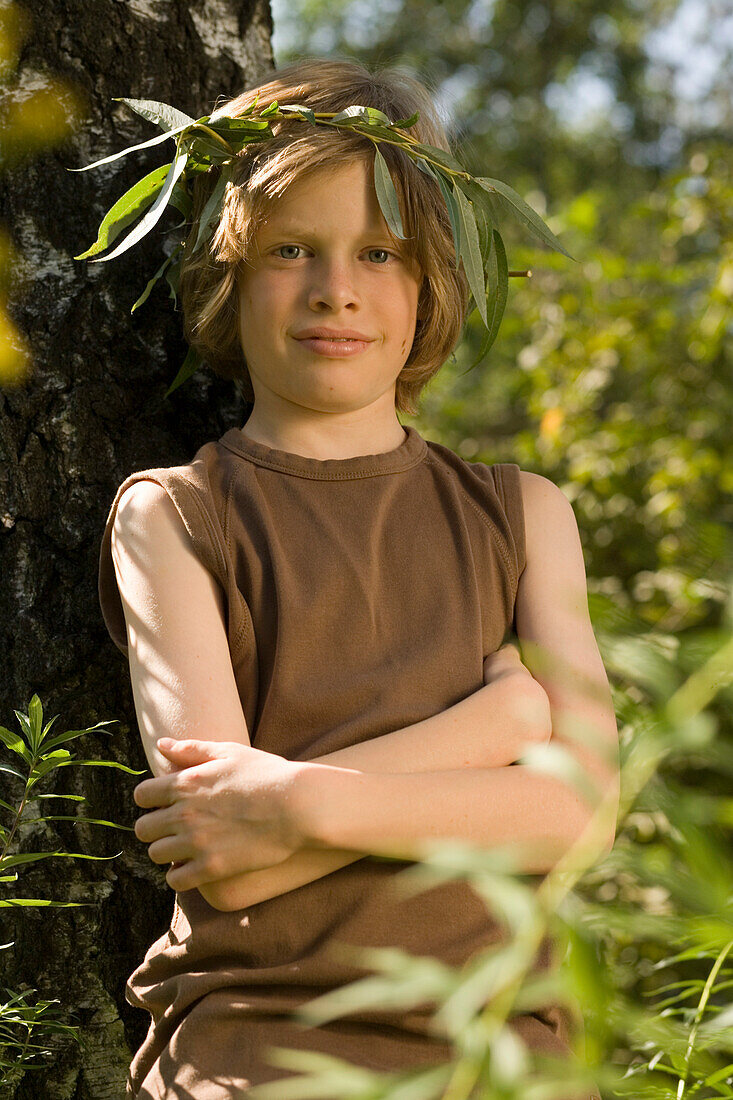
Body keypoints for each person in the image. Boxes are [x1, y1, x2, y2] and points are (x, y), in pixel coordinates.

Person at [97, 56, 619, 1100]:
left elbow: (580, 813)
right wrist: (496, 730)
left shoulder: (522, 516)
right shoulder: (173, 514)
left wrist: (290, 801)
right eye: (292, 249)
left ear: (429, 285)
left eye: (379, 252)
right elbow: (228, 856)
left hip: (504, 1052)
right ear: (226, 274)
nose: (337, 286)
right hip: (257, 1049)